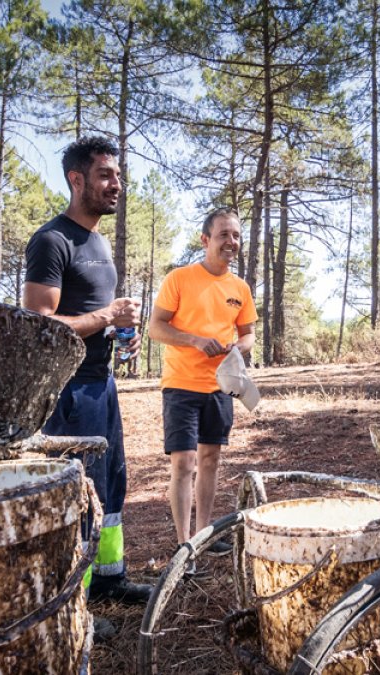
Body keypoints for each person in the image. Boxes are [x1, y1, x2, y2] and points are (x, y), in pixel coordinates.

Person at [23, 135, 151, 607]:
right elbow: (38, 324)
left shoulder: (98, 242)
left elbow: (95, 318)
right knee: (76, 490)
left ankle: (109, 579)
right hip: (67, 390)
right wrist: (107, 316)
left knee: (111, 481)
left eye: (118, 175)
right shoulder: (52, 240)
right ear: (76, 180)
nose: (116, 184)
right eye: (105, 175)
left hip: (102, 383)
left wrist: (122, 334)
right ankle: (71, 600)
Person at [149, 208, 256, 555]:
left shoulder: (240, 288)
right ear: (205, 239)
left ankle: (203, 536)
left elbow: (249, 334)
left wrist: (237, 348)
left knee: (210, 460)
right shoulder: (179, 279)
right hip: (181, 384)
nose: (231, 242)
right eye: (224, 234)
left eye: (236, 235)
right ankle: (184, 547)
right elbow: (155, 328)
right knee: (184, 463)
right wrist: (194, 340)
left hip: (220, 386)